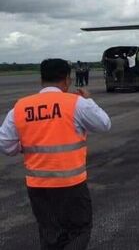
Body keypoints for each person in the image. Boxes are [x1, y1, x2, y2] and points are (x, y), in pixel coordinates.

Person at [0, 58, 111, 249]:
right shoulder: (76, 103)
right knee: (79, 230)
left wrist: (23, 146)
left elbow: (5, 144)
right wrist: (88, 100)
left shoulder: (20, 106)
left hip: (38, 186)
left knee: (50, 232)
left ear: (42, 80)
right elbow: (104, 124)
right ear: (67, 79)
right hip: (70, 184)